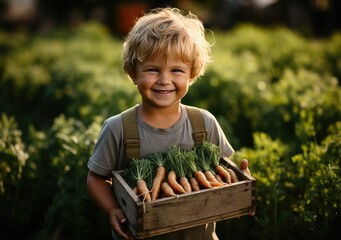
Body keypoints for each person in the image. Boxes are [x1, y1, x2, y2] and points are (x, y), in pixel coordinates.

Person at [86, 7, 252, 240]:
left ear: (191, 75)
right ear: (133, 73)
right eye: (153, 70)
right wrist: (113, 209)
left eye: (176, 70)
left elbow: (222, 166)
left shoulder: (204, 123)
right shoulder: (118, 129)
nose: (164, 80)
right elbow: (95, 178)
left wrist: (237, 181)